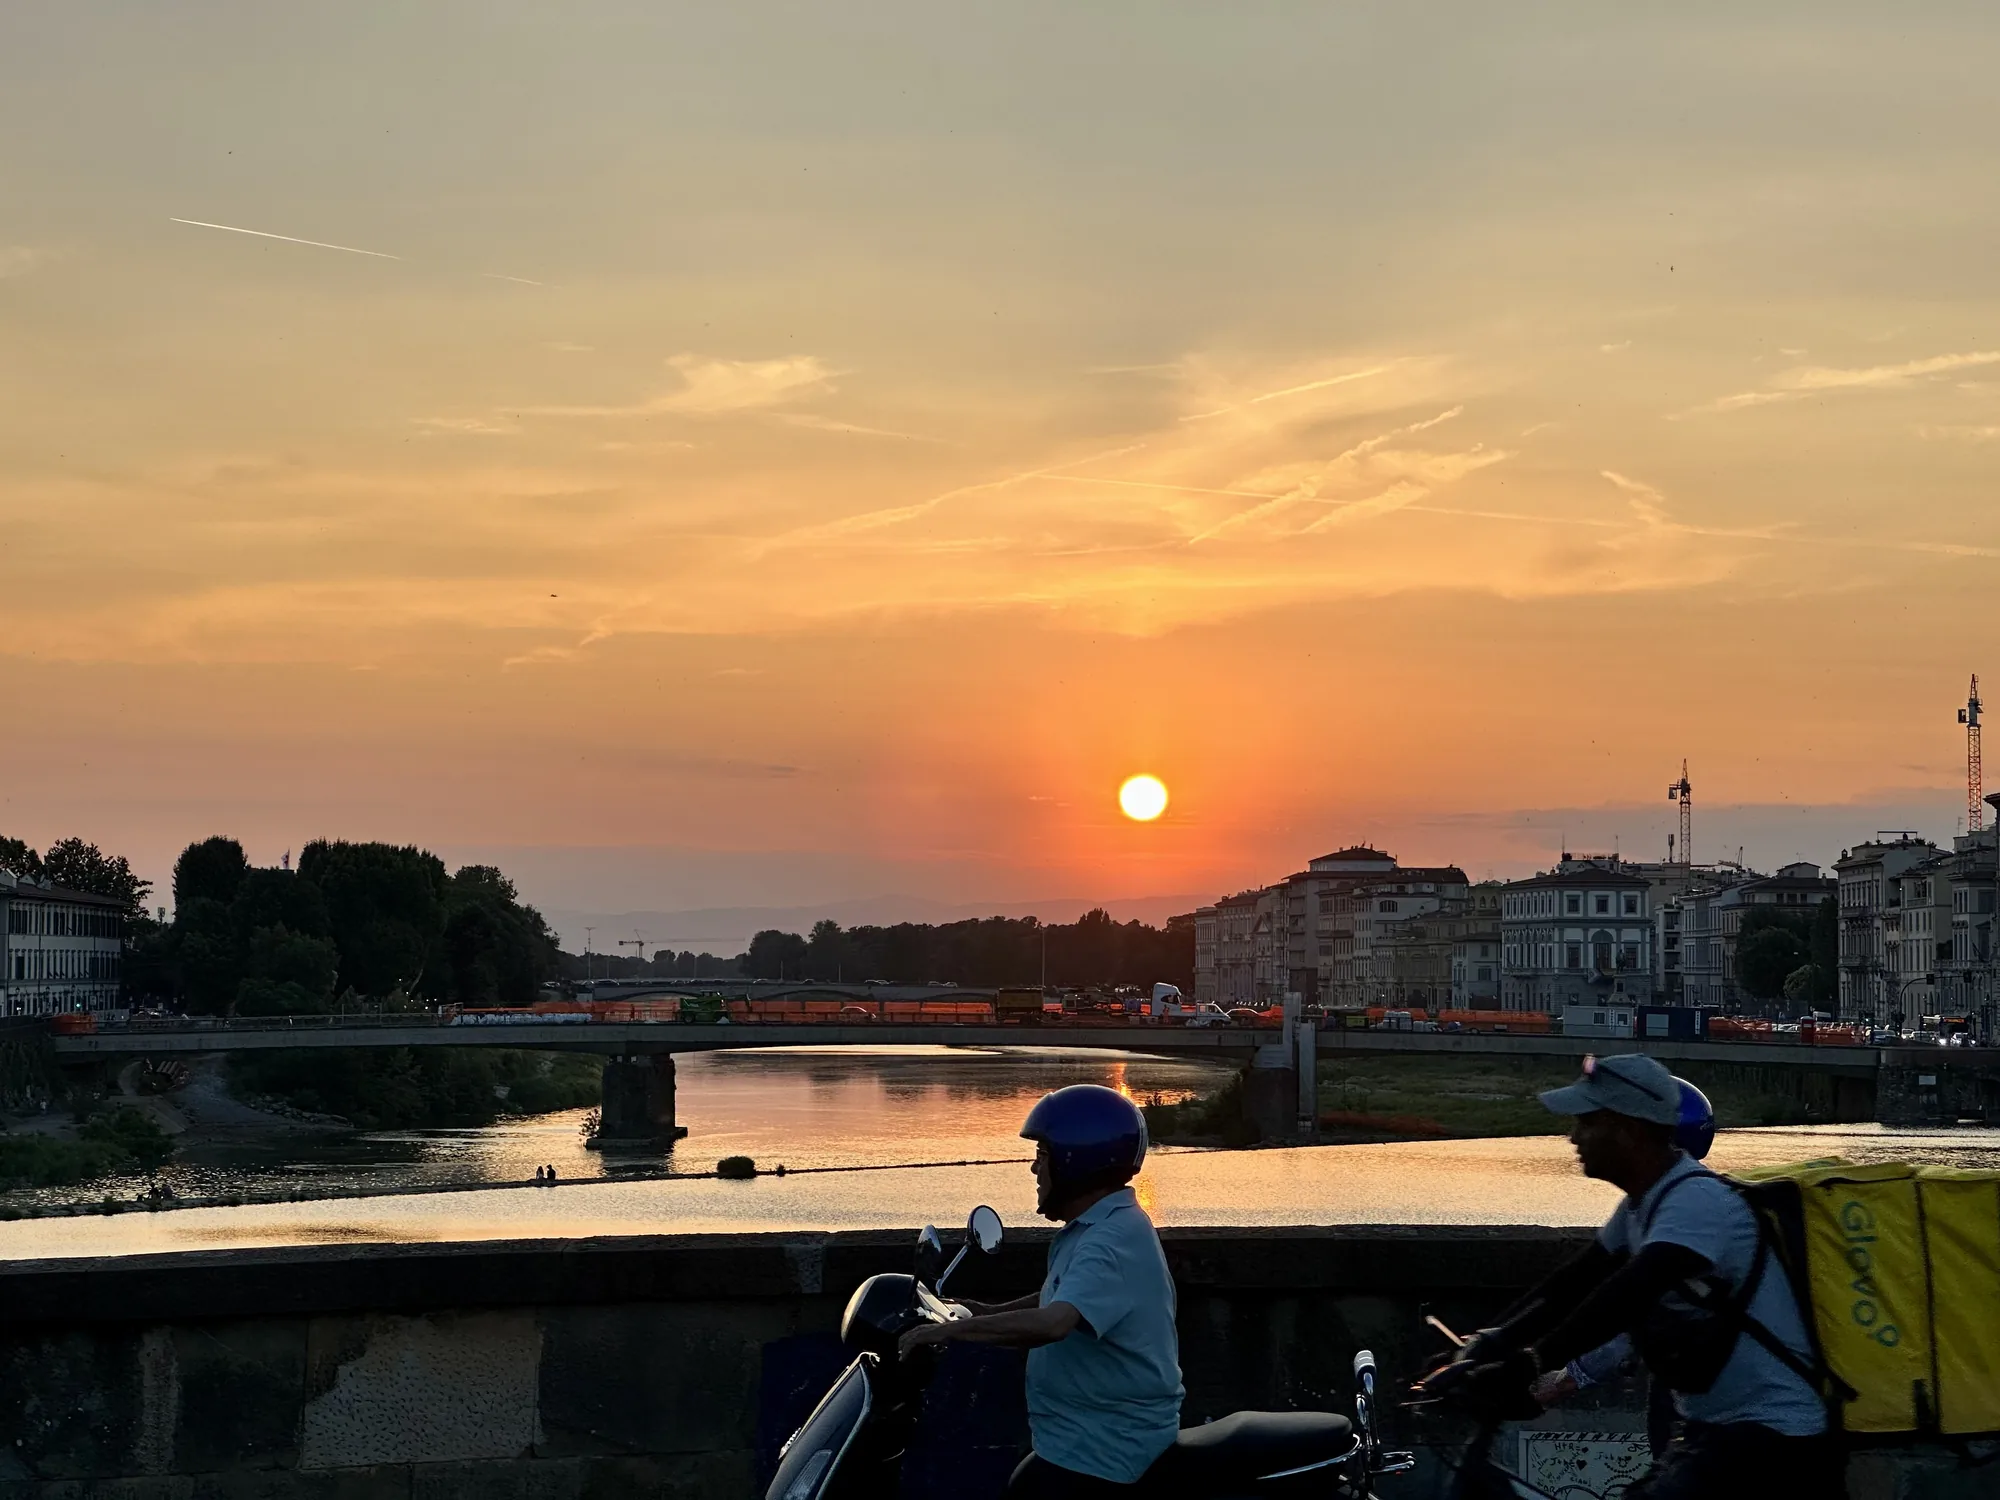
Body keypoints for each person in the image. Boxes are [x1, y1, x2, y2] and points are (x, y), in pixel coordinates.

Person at [1422, 1053, 1840, 1499]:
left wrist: (1531, 1363)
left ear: (1630, 1130)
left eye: (1587, 1122)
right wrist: (1490, 1342)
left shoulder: (1696, 1202)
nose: (1573, 1137)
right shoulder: (1644, 1204)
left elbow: (1630, 1292)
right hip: (1715, 1430)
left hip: (1772, 1440)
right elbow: (1571, 1285)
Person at [897, 1084, 1183, 1497]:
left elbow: (1054, 1323)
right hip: (1082, 1439)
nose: (1035, 1170)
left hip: (1108, 1450)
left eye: (1043, 1156)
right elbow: (1064, 1299)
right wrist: (982, 1311)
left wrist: (950, 1332)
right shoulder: (1099, 1227)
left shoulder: (1110, 1241)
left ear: (1076, 1162)